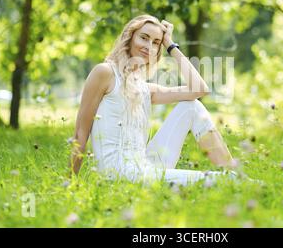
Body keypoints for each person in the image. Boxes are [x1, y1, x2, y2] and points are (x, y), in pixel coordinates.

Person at [69, 14, 237, 186]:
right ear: (129, 37)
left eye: (156, 42)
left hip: (145, 166)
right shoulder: (105, 73)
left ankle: (233, 172)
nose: (149, 46)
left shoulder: (144, 88)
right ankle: (236, 181)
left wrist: (170, 45)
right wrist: (70, 182)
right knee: (215, 181)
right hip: (119, 173)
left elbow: (200, 89)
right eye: (144, 38)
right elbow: (80, 133)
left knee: (192, 106)